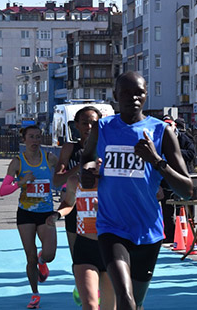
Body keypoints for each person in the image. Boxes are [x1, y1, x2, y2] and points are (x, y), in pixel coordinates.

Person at [81, 71, 193, 310]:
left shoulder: (162, 131)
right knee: (126, 299)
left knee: (137, 303)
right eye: (126, 93)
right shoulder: (103, 127)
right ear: (115, 96)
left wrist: (156, 160)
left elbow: (187, 190)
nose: (133, 98)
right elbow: (87, 160)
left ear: (146, 95)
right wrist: (88, 172)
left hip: (148, 230)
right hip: (112, 227)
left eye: (139, 93)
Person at [47, 107, 114, 310]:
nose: (89, 127)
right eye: (84, 122)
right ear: (76, 125)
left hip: (104, 208)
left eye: (93, 123)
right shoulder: (70, 149)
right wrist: (82, 165)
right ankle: (83, 286)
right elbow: (57, 181)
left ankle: (95, 287)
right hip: (76, 205)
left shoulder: (107, 147)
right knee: (80, 255)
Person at [0, 125, 59, 309]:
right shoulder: (17, 162)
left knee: (49, 254)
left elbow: (60, 180)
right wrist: (21, 182)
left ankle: (43, 261)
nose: (35, 141)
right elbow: (3, 190)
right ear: (24, 140)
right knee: (30, 257)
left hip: (46, 213)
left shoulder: (49, 158)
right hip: (26, 214)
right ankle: (35, 294)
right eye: (31, 137)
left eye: (38, 137)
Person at [160, 116, 197, 243]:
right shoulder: (160, 139)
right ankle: (170, 235)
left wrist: (174, 152)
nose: (168, 127)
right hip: (166, 179)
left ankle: (185, 233)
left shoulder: (184, 138)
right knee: (167, 208)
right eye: (166, 125)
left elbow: (191, 153)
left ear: (175, 125)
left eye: (170, 124)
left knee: (182, 207)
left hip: (182, 177)